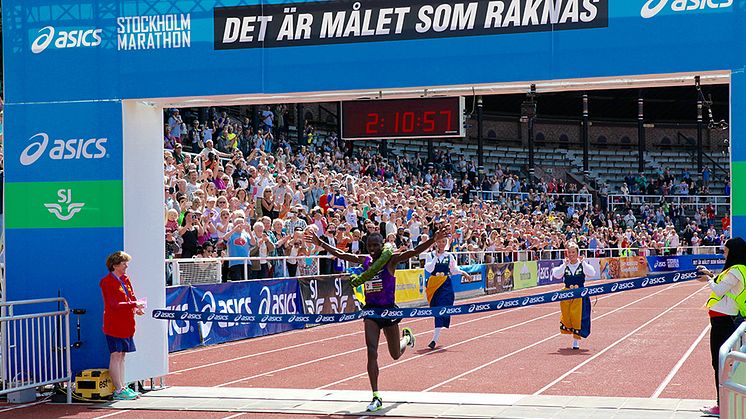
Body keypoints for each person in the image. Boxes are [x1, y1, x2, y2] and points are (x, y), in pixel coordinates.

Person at [305, 224, 447, 412]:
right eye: (369, 246)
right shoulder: (365, 261)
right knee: (371, 351)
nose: (372, 249)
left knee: (395, 354)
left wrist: (432, 240)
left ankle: (407, 338)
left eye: (375, 246)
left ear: (382, 244)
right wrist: (320, 242)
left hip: (388, 311)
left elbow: (413, 252)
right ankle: (376, 395)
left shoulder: (391, 261)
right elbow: (342, 255)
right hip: (371, 312)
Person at [697, 237, 746, 417]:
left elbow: (718, 290)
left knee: (721, 363)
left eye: (726, 251)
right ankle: (722, 402)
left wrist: (709, 279)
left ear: (733, 251)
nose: (724, 253)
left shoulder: (736, 271)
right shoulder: (737, 270)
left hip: (724, 321)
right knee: (721, 362)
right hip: (721, 320)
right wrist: (710, 276)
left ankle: (722, 404)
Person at [99, 251, 145, 401]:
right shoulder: (106, 282)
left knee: (122, 356)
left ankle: (122, 386)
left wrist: (136, 308)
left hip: (127, 324)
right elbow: (113, 304)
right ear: (115, 265)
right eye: (124, 263)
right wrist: (133, 304)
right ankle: (118, 389)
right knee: (115, 355)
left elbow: (131, 297)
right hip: (114, 325)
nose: (126, 266)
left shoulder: (125, 279)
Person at [423, 235, 472, 349]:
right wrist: (435, 256)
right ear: (436, 243)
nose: (441, 244)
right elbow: (429, 269)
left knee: (442, 308)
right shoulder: (429, 255)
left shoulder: (449, 256)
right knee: (436, 309)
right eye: (439, 241)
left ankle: (434, 339)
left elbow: (454, 270)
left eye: (444, 242)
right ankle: (438, 331)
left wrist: (463, 273)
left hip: (445, 284)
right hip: (433, 285)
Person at [551, 242, 596, 350]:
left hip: (579, 294)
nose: (571, 255)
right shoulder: (565, 265)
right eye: (569, 252)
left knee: (577, 317)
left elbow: (592, 273)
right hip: (566, 294)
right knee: (567, 316)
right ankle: (568, 329)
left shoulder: (582, 265)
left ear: (577, 253)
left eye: (573, 252)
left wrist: (583, 262)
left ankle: (576, 340)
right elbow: (556, 274)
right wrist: (564, 265)